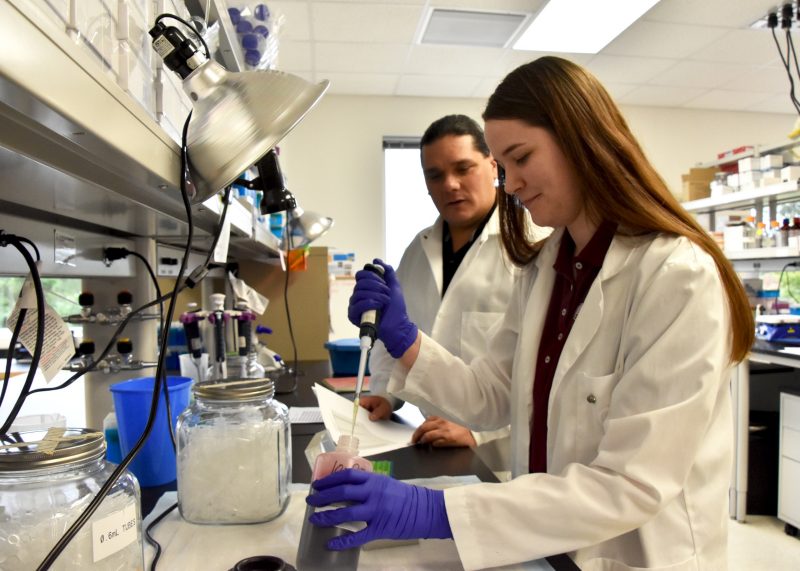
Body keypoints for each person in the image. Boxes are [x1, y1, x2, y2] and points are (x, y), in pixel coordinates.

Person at [305, 56, 754, 570]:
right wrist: (404, 337)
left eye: (520, 158)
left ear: (581, 140)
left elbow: (633, 483)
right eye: (503, 163)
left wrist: (437, 512)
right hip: (543, 544)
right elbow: (492, 395)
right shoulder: (548, 266)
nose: (511, 183)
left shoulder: (676, 276)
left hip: (634, 556)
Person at [360, 114, 547, 468]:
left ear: (493, 167)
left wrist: (479, 433)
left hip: (499, 455)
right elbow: (394, 336)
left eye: (463, 168)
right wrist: (384, 395)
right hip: (428, 441)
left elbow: (540, 369)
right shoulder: (418, 249)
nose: (450, 184)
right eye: (435, 175)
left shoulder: (532, 245)